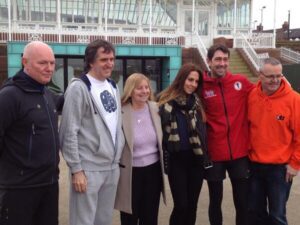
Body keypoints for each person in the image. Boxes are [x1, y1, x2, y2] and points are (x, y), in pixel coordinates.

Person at [59, 39, 125, 225]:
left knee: (103, 220)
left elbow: (115, 125)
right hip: (88, 169)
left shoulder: (113, 86)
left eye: (112, 59)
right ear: (90, 61)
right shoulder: (78, 89)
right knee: (83, 221)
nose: (110, 63)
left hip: (112, 167)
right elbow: (68, 131)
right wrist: (76, 169)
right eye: (104, 59)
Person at [0, 41, 63, 225]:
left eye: (52, 63)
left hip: (49, 185)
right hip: (19, 189)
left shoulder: (45, 93)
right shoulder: (9, 96)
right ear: (25, 62)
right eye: (42, 63)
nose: (49, 68)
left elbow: (65, 102)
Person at [201, 44, 254, 225]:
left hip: (239, 154)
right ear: (209, 61)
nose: (222, 63)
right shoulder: (202, 85)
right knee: (215, 201)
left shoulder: (241, 82)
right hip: (214, 154)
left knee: (242, 202)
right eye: (217, 59)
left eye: (225, 59)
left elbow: (264, 94)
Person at [247, 57, 300, 225]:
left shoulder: (294, 100)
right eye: (270, 76)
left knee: (277, 216)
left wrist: (295, 164)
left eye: (279, 75)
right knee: (256, 213)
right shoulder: (251, 96)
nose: (275, 80)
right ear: (259, 75)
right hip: (254, 166)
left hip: (280, 170)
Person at [158, 63, 209, 225]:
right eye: (190, 79)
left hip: (196, 160)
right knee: (181, 205)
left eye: (196, 82)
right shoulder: (165, 101)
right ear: (181, 79)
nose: (193, 84)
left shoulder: (197, 103)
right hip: (176, 160)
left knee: (192, 205)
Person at [114, 73, 167, 225]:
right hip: (130, 173)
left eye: (146, 87)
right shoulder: (120, 112)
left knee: (150, 217)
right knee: (129, 218)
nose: (144, 91)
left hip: (153, 171)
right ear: (130, 90)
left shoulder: (156, 108)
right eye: (139, 88)